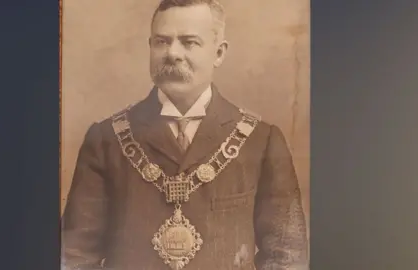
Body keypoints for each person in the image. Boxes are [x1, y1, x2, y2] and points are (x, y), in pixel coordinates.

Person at [61, 0, 309, 269]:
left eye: (189, 42)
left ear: (219, 53)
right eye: (162, 41)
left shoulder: (261, 141)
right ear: (150, 47)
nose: (173, 53)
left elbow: (286, 256)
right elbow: (75, 257)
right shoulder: (105, 140)